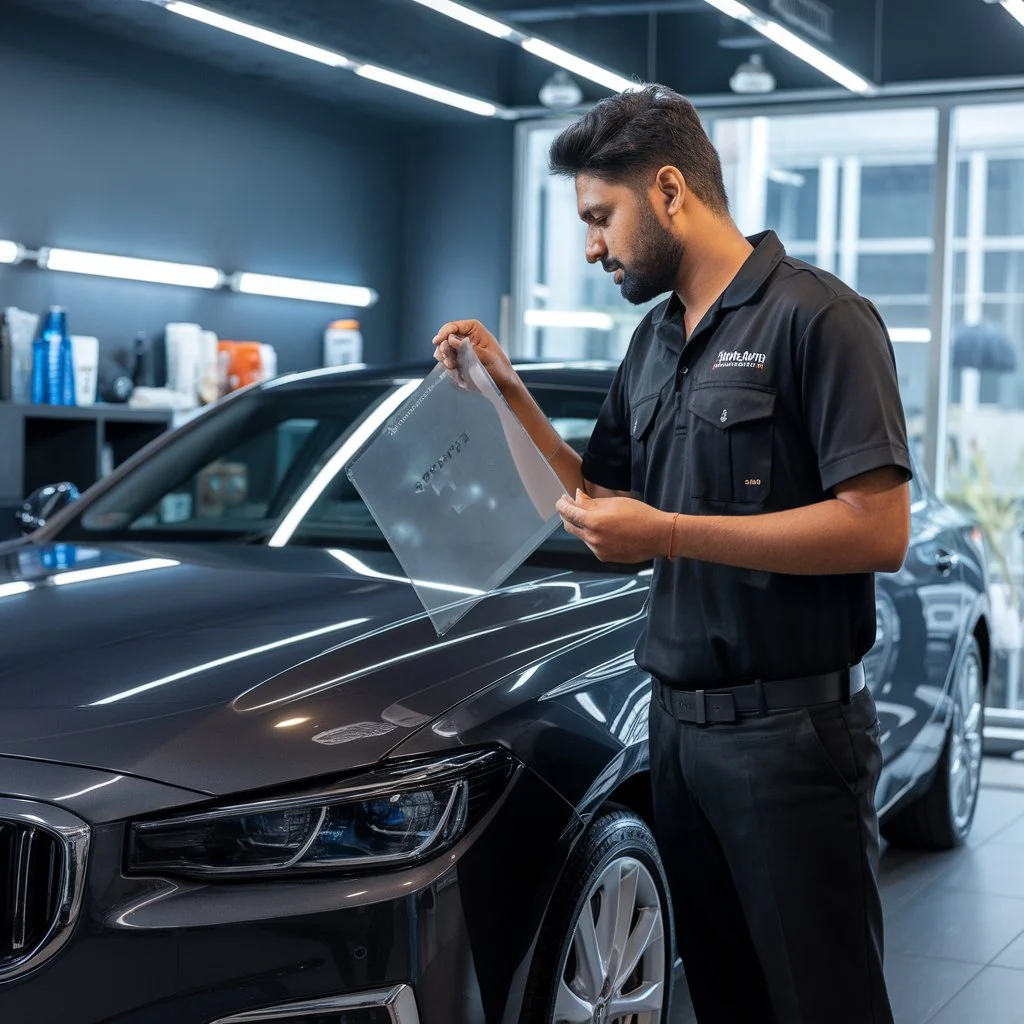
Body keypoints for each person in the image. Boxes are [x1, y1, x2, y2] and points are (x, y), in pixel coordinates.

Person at [434, 84, 909, 1024]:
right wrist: (503, 396)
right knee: (726, 1000)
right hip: (678, 739)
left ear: (667, 191)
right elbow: (597, 505)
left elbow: (877, 529)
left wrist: (673, 533)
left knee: (825, 1003)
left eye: (600, 218)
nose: (592, 248)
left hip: (793, 743)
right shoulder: (652, 342)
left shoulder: (820, 319)